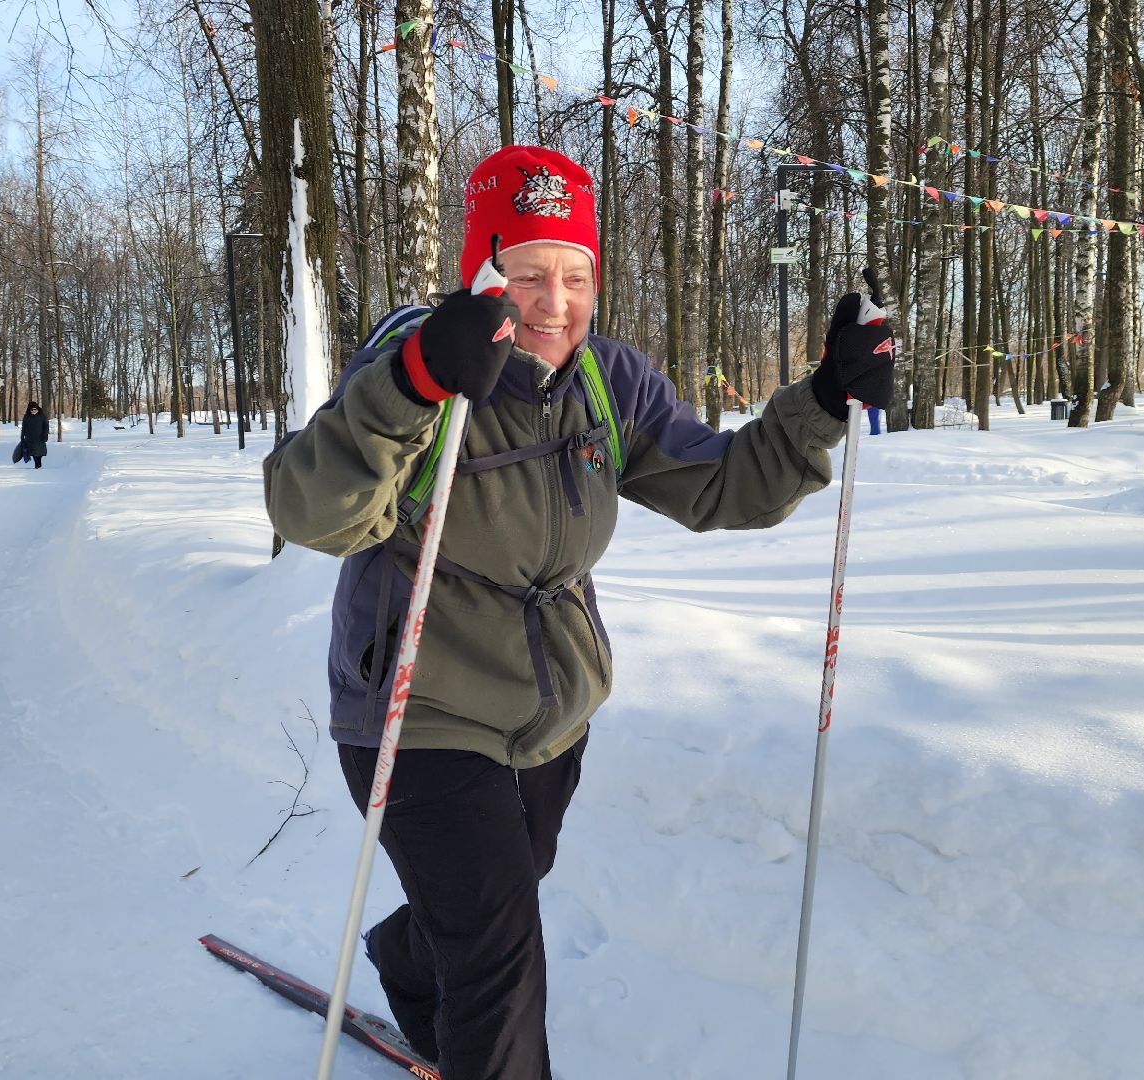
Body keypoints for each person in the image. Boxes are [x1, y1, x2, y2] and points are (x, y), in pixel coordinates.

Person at [263, 145, 894, 1080]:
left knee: (498, 898)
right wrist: (415, 384)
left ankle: (409, 952)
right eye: (527, 274)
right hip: (419, 713)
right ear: (484, 273)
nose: (555, 303)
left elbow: (722, 486)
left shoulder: (607, 381)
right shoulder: (424, 357)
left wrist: (822, 402)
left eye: (576, 275)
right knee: (502, 964)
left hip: (550, 720)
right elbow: (310, 510)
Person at [16, 401, 47, 469]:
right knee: (33, 453)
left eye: (35, 409)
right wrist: (22, 436)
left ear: (37, 409)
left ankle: (38, 464)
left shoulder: (42, 416)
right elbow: (24, 427)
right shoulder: (27, 417)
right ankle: (37, 465)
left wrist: (45, 435)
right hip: (30, 438)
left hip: (40, 438)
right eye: (31, 409)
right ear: (29, 409)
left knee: (40, 453)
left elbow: (46, 426)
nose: (33, 411)